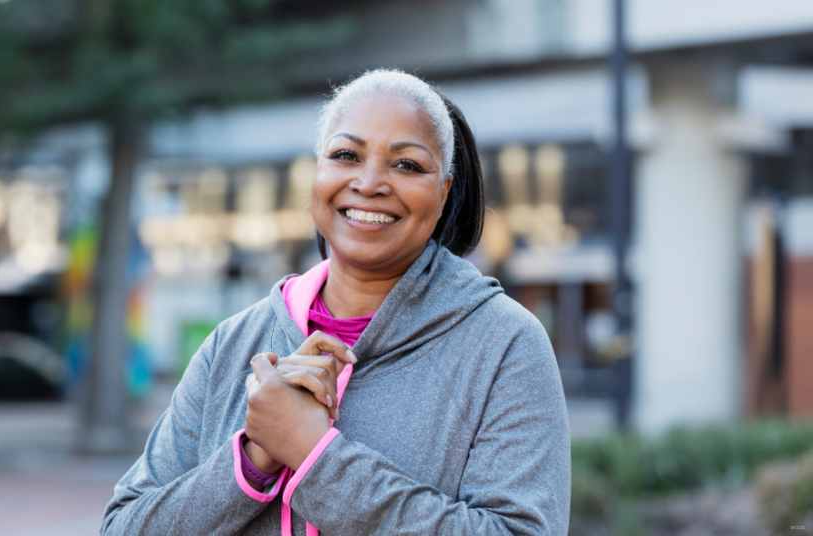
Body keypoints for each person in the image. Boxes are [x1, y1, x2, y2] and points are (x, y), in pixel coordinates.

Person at [101, 69, 571, 535]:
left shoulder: (506, 344)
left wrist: (314, 457)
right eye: (346, 155)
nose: (369, 183)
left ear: (444, 191)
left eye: (406, 164)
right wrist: (251, 460)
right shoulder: (234, 343)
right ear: (317, 173)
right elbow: (123, 526)